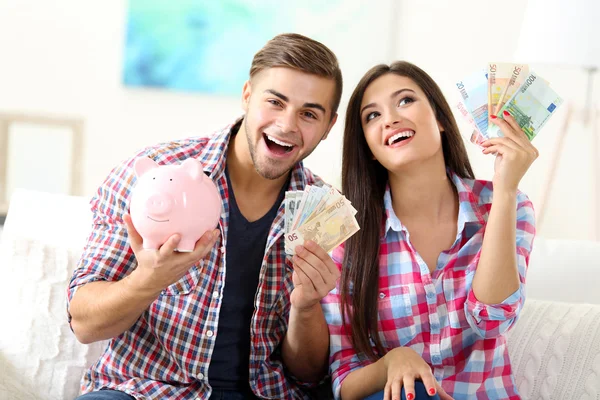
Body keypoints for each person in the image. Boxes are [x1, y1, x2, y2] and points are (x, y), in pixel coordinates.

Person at [67, 33, 343, 400]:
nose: (288, 124)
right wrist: (148, 280)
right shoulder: (156, 175)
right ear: (247, 95)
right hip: (143, 391)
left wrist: (305, 308)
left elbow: (308, 375)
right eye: (275, 102)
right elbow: (84, 324)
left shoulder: (323, 211)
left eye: (309, 113)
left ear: (328, 126)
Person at [321, 61, 537, 400]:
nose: (390, 118)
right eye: (372, 116)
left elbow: (493, 320)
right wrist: (393, 361)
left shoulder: (506, 206)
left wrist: (506, 189)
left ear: (440, 119)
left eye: (405, 100)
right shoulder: (347, 237)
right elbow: (343, 383)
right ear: (370, 149)